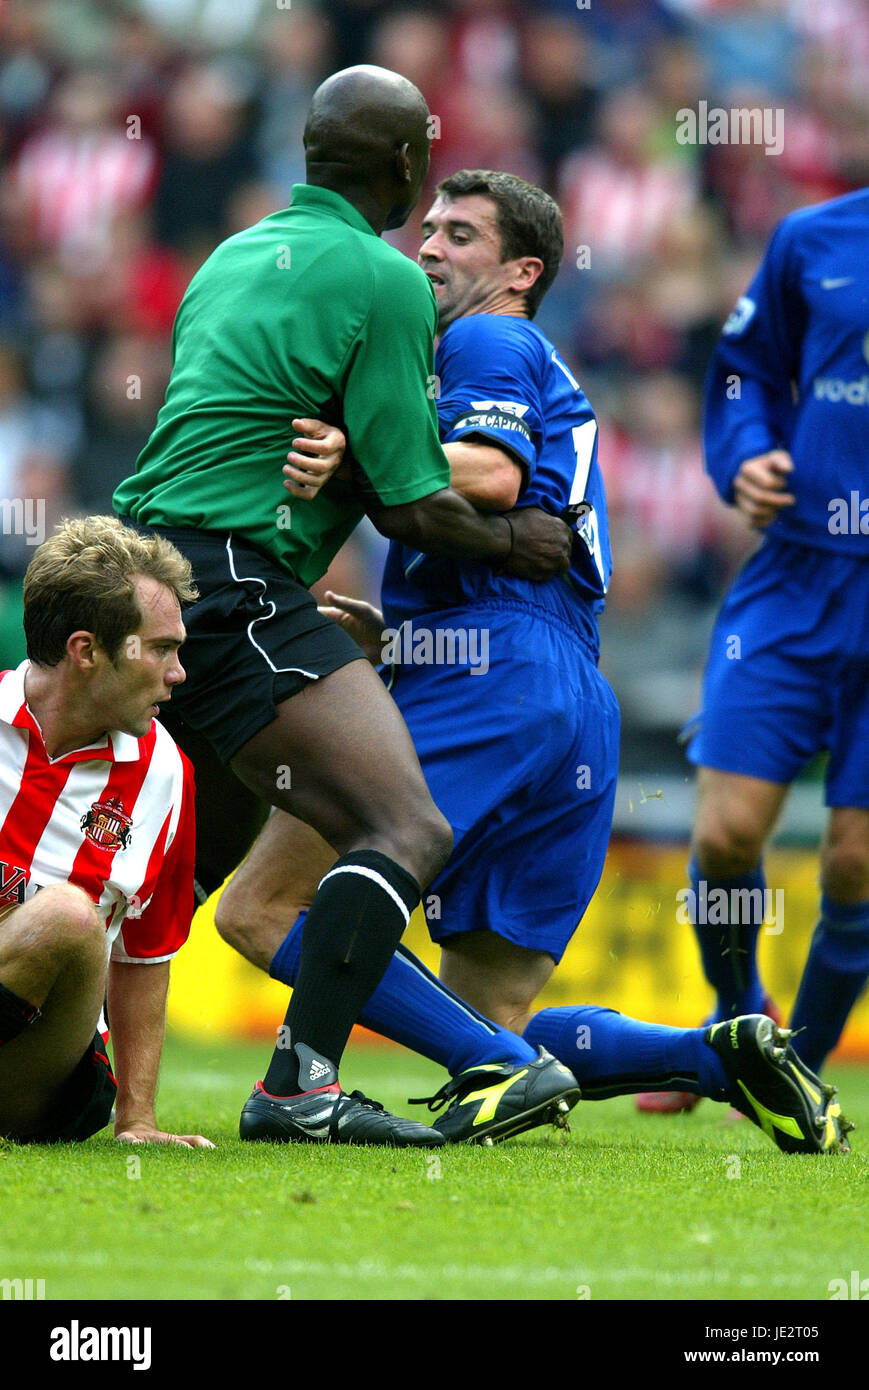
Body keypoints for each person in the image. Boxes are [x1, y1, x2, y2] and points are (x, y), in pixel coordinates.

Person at [213, 171, 850, 1155]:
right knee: (489, 1011)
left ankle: (363, 1086)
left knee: (259, 910)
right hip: (560, 688)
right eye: (424, 226)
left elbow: (493, 473)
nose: (427, 246)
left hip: (492, 673)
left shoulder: (487, 337)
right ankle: (714, 1053)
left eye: (458, 233)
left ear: (520, 271)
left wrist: (352, 450)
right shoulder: (511, 360)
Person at [113, 67, 577, 1148]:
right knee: (401, 823)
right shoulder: (384, 280)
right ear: (407, 163)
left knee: (182, 866)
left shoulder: (229, 255)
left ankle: (82, 1080)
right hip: (230, 579)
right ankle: (298, 1087)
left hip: (148, 567)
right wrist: (524, 539)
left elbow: (247, 429)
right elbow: (418, 505)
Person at [637, 186, 869, 1114]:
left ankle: (792, 1073)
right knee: (726, 832)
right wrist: (743, 456)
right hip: (794, 578)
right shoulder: (813, 238)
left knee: (854, 862)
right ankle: (741, 1021)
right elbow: (742, 371)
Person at [0, 516, 212, 1148]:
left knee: (66, 917)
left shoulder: (166, 774)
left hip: (40, 1080)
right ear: (87, 651)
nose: (178, 672)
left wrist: (138, 1120)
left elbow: (146, 954)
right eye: (162, 648)